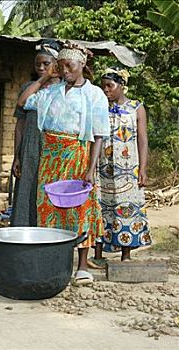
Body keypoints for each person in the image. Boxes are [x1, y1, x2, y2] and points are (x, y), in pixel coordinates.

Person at [17, 42, 109, 285]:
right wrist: (45, 77)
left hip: (77, 156)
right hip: (49, 156)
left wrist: (90, 169)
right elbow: (22, 103)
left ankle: (81, 267)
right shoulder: (51, 92)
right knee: (48, 208)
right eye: (61, 66)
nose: (65, 70)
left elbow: (99, 134)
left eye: (70, 66)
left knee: (79, 209)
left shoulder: (94, 94)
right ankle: (54, 263)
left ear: (82, 66)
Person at [89, 67, 150, 267]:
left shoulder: (136, 107)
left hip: (128, 171)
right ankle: (97, 255)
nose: (106, 90)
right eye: (103, 86)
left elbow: (142, 140)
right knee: (99, 207)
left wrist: (142, 168)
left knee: (126, 209)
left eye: (110, 86)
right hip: (102, 169)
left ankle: (125, 255)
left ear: (122, 86)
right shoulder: (99, 107)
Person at [11, 39, 62, 227]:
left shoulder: (65, 88)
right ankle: (24, 236)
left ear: (56, 65)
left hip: (54, 149)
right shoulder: (29, 88)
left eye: (46, 64)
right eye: (38, 64)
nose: (41, 67)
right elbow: (20, 123)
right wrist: (17, 156)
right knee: (27, 192)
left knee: (52, 192)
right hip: (30, 149)